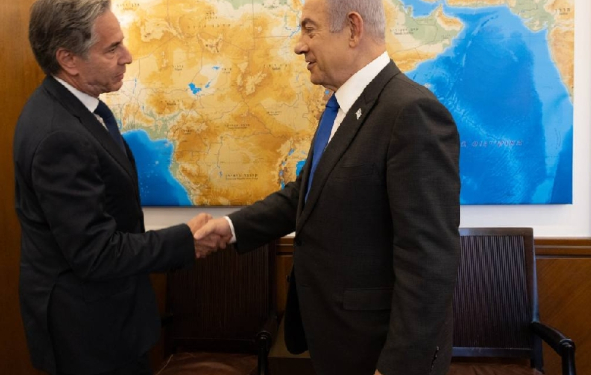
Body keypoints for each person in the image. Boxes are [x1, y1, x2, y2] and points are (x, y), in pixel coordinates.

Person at [194, 0, 461, 374]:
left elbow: (429, 261)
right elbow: (307, 194)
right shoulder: (343, 107)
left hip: (378, 352)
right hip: (337, 340)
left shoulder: (410, 112)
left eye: (310, 29)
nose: (298, 45)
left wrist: (397, 367)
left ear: (353, 29)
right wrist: (231, 227)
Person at [13, 1, 226, 374]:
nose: (127, 57)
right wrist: (184, 240)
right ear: (69, 59)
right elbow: (95, 252)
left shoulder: (81, 108)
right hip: (88, 336)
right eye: (112, 48)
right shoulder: (58, 135)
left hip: (109, 319)